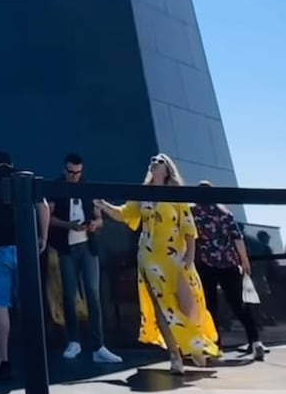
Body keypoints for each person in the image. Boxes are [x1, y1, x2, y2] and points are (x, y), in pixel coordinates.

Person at [97, 154, 220, 375]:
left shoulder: (175, 194)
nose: (154, 161)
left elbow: (188, 226)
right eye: (152, 159)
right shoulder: (143, 194)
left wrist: (190, 255)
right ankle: (175, 356)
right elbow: (125, 214)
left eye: (159, 160)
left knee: (188, 304)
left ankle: (195, 345)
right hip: (150, 258)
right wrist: (103, 205)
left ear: (167, 168)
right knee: (162, 310)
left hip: (175, 257)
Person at [0, 151, 49, 382]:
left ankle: (3, 360)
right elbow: (43, 206)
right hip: (25, 246)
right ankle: (37, 359)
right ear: (12, 162)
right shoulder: (24, 177)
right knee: (30, 303)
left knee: (1, 304)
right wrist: (43, 236)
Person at [48, 153, 122, 366]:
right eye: (70, 172)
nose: (74, 176)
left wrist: (94, 225)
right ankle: (74, 341)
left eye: (77, 173)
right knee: (69, 294)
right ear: (65, 170)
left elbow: (100, 219)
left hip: (88, 246)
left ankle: (98, 345)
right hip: (67, 247)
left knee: (93, 293)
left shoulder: (88, 188)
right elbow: (49, 217)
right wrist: (68, 225)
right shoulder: (56, 187)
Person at [192, 182, 265, 361]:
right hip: (229, 263)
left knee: (210, 306)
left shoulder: (193, 212)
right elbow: (237, 238)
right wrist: (244, 260)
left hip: (206, 263)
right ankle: (255, 341)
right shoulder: (225, 213)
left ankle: (216, 346)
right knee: (239, 304)